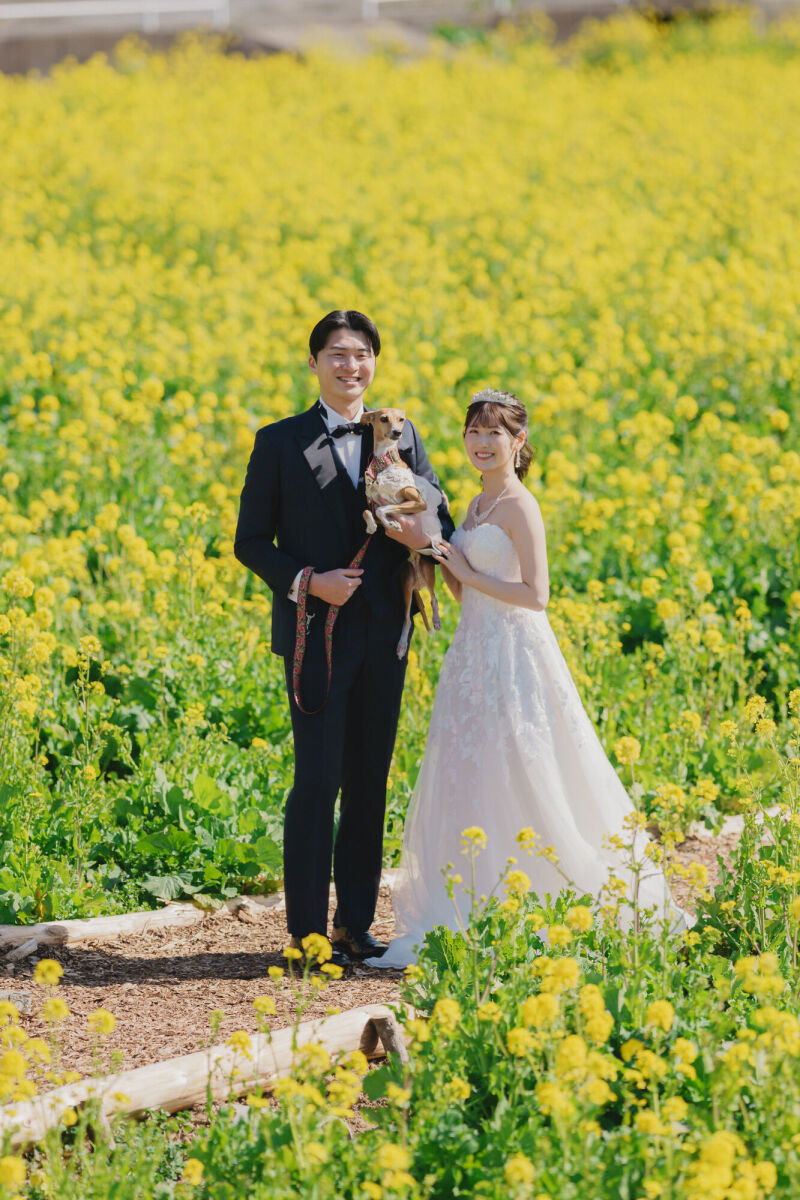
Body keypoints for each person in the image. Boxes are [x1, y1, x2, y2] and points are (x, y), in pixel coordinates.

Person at [366, 388, 688, 970]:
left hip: (516, 652)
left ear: (518, 443)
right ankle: (474, 903)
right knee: (474, 768)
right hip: (472, 653)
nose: (482, 443)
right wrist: (435, 557)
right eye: (473, 433)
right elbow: (468, 590)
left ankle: (546, 897)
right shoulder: (473, 507)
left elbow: (535, 596)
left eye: (494, 433)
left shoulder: (519, 505)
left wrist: (462, 566)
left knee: (528, 763)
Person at [234, 310, 453, 967]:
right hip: (314, 632)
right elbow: (249, 542)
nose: (350, 365)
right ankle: (305, 935)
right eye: (337, 354)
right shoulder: (278, 442)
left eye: (362, 354)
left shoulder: (400, 432)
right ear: (314, 363)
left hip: (387, 632)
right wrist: (308, 580)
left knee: (369, 781)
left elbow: (434, 503)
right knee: (318, 779)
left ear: (374, 363)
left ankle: (355, 926)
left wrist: (413, 500)